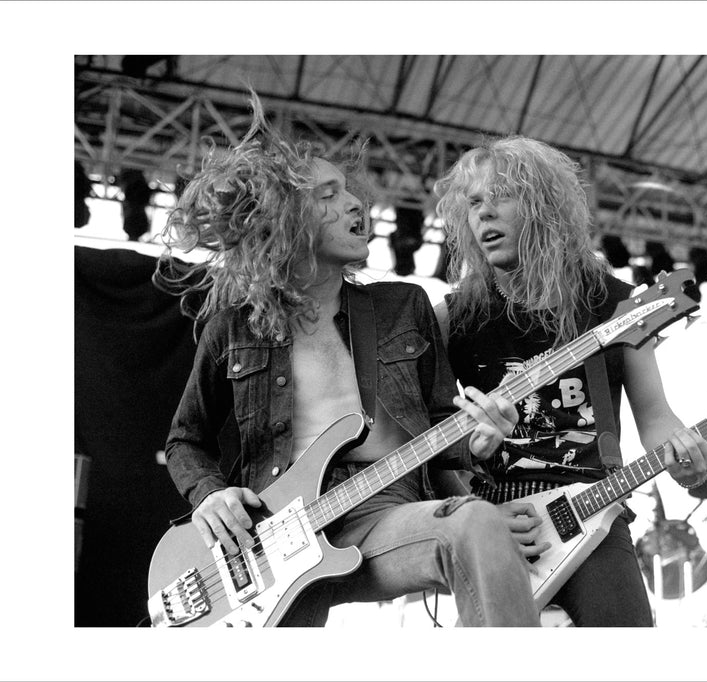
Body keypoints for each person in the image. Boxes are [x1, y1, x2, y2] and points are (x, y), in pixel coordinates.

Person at [155, 94, 540, 627]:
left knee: (475, 526)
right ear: (283, 219)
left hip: (384, 510)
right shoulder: (234, 326)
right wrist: (210, 497)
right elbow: (185, 439)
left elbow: (444, 430)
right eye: (328, 195)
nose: (356, 204)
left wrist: (478, 442)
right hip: (272, 540)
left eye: (350, 191)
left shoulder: (401, 307)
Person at [432, 136, 707, 627]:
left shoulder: (616, 303)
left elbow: (655, 415)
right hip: (496, 519)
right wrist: (468, 514)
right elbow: (428, 440)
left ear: (544, 205)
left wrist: (687, 457)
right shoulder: (451, 318)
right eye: (474, 203)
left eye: (501, 196)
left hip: (595, 509)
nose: (484, 214)